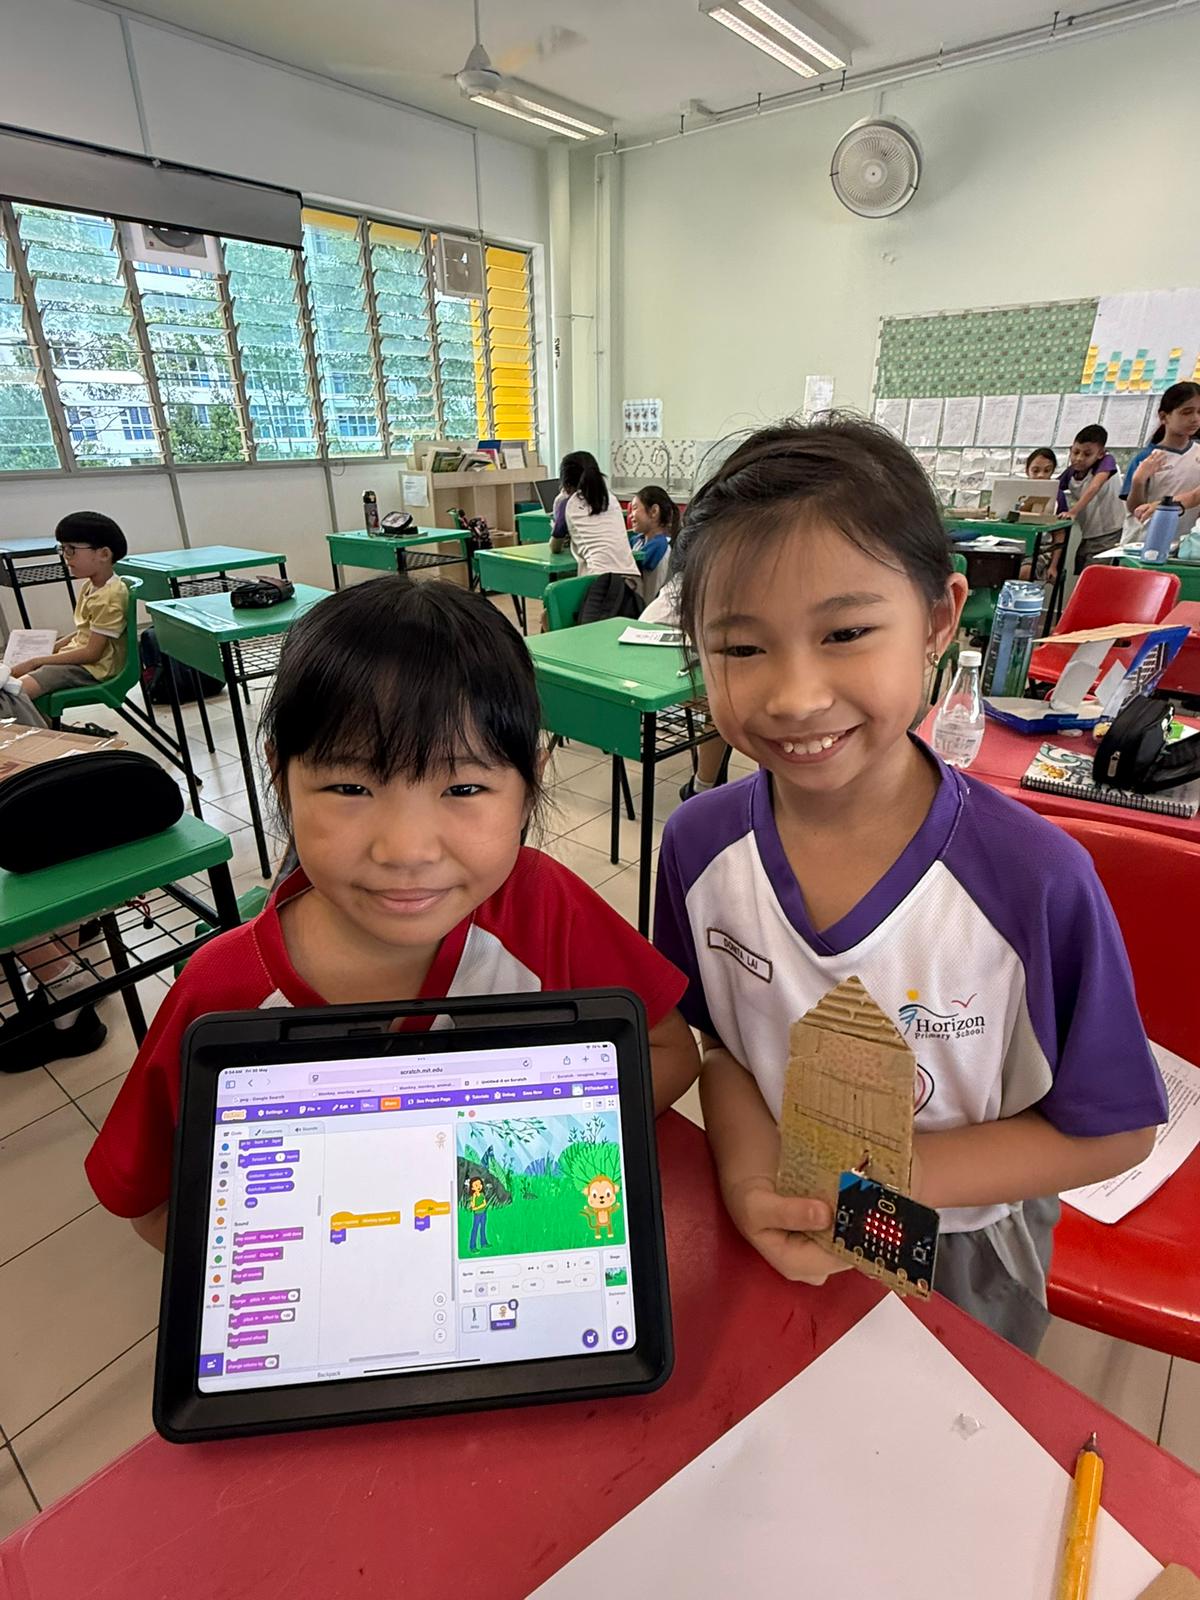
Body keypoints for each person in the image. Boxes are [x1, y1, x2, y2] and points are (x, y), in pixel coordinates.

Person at [653, 415, 1165, 1355]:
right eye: (741, 648)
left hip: (958, 1246)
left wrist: (888, 1182)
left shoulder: (1035, 880)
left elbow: (1115, 1130)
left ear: (938, 619)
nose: (795, 696)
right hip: (776, 1213)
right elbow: (720, 1046)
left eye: (846, 632)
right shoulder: (696, 846)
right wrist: (749, 1179)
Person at [84, 579, 699, 1249]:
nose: (405, 850)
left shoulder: (543, 904)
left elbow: (670, 1051)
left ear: (530, 786)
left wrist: (526, 1167)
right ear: (281, 778)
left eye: (464, 787)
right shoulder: (221, 992)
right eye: (350, 786)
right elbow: (153, 1206)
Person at [6, 511, 129, 728]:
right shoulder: (92, 586)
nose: (65, 557)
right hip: (83, 664)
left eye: (71, 550)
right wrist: (51, 648)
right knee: (15, 678)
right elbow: (85, 632)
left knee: (13, 693)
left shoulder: (110, 596)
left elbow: (92, 653)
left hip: (94, 669)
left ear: (103, 554)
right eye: (62, 549)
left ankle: (43, 737)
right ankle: (50, 730)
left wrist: (38, 660)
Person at [550, 451, 641, 623]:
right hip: (630, 581)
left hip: (599, 584)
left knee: (550, 617)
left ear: (566, 483)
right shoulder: (611, 499)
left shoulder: (567, 504)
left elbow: (554, 547)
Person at [1122, 381, 1200, 549]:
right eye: (1187, 412)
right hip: (1143, 543)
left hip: (1183, 545)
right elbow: (1136, 509)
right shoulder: (1147, 457)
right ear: (1164, 417)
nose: (1195, 419)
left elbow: (1195, 497)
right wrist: (1138, 481)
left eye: (1199, 412)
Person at [1056, 424, 1124, 572]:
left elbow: (1094, 486)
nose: (1079, 458)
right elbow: (1051, 489)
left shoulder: (1107, 462)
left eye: (1087, 454)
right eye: (1075, 452)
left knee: (1096, 576)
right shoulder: (1071, 472)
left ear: (1100, 454)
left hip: (1110, 533)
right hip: (1088, 534)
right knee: (1083, 574)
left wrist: (1073, 511)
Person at [628, 485, 679, 607]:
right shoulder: (638, 541)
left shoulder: (661, 546)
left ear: (654, 511)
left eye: (635, 509)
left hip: (650, 608)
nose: (631, 516)